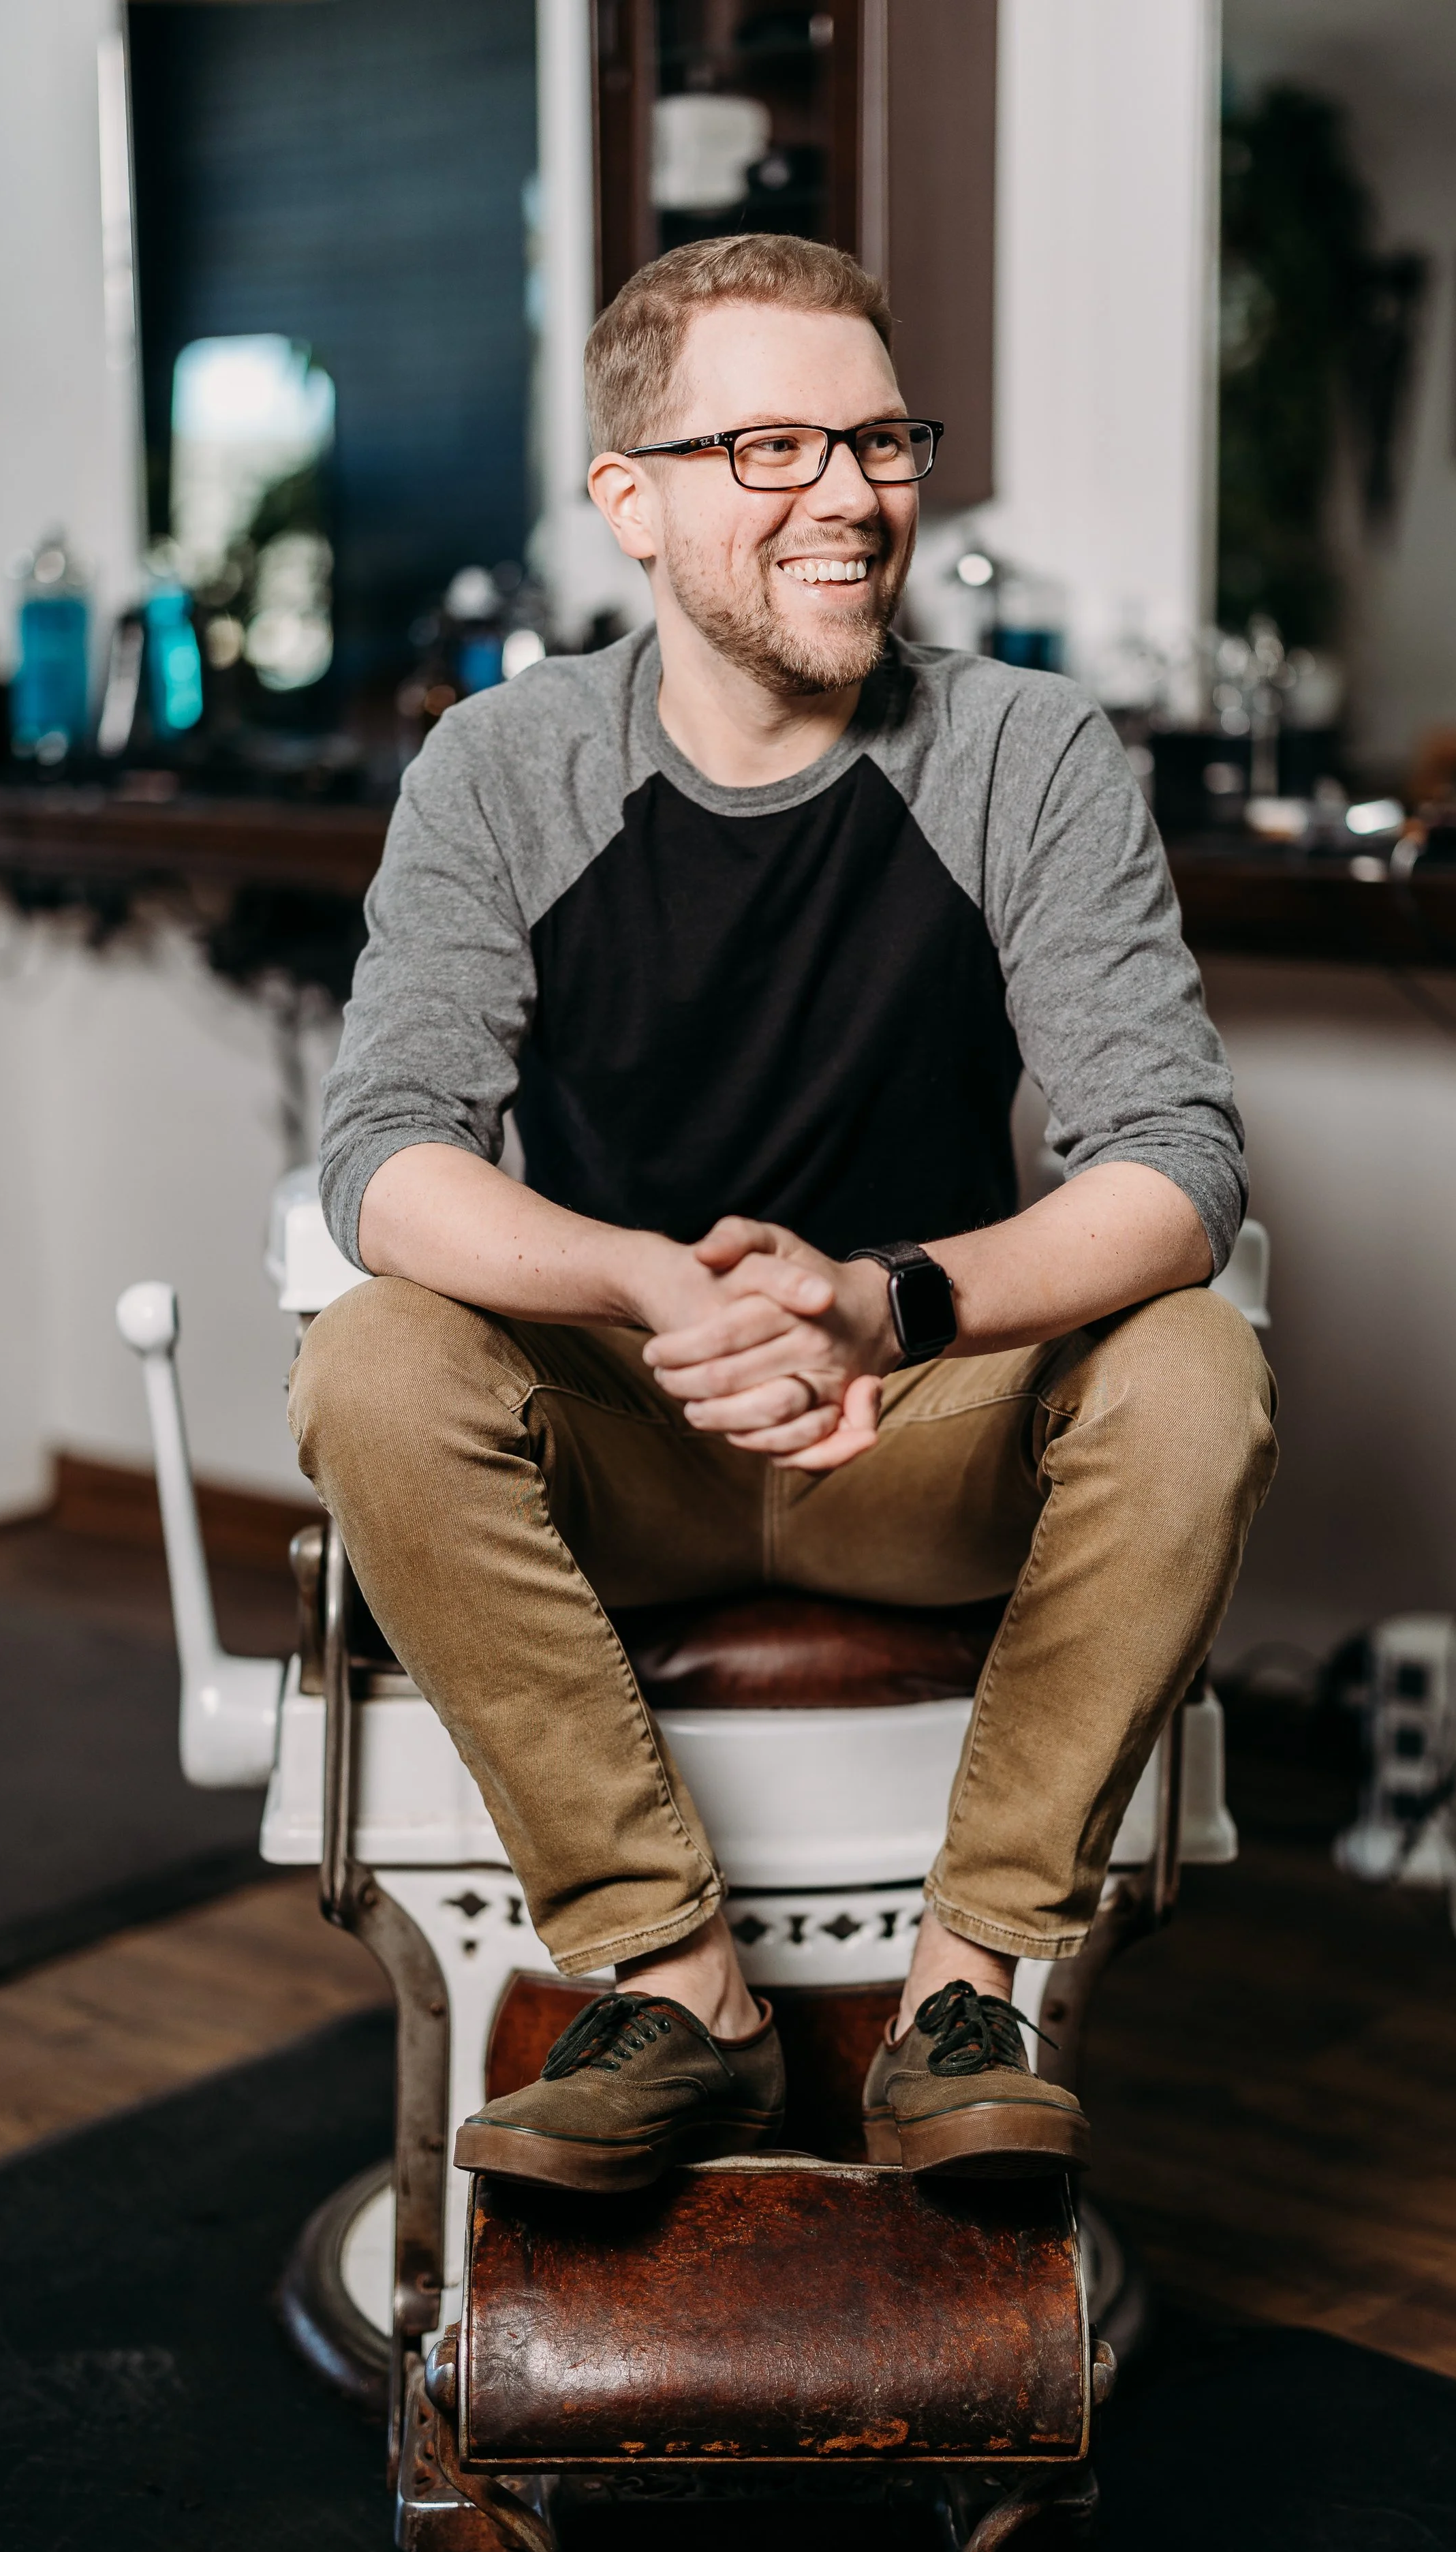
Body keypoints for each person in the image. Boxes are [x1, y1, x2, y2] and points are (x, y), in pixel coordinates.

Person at [291, 233, 1276, 2194]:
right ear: (631, 501)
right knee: (373, 1354)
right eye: (767, 448)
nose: (848, 495)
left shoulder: (1019, 750)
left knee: (1189, 1366)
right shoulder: (502, 767)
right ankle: (680, 1994)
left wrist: (882, 1305)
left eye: (878, 437)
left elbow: (1170, 1159)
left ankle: (961, 1995)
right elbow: (385, 1150)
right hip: (625, 1433)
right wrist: (643, 1285)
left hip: (915, 1422)